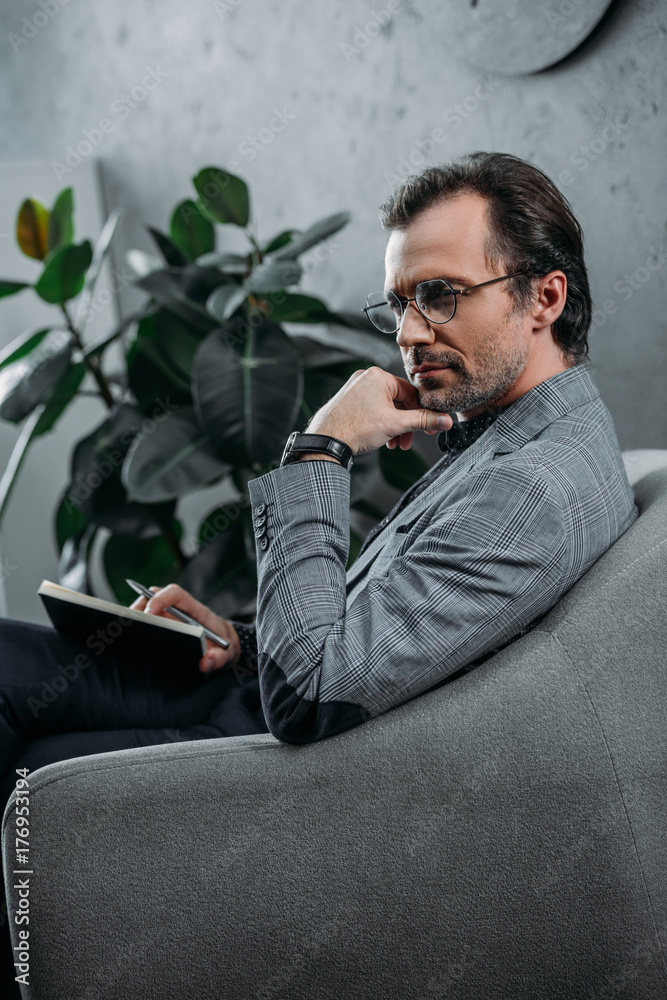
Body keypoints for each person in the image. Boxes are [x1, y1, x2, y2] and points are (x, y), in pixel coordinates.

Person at [0, 151, 638, 991]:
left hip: (277, 754)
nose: (410, 334)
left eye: (441, 295)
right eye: (401, 303)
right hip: (250, 683)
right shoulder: (513, 435)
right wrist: (245, 636)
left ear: (543, 297)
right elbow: (386, 632)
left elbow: (313, 696)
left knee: (24, 737)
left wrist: (319, 447)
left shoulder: (530, 489)